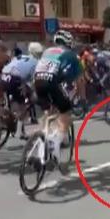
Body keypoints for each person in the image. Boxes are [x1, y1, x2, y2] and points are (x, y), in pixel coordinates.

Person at [33, 30, 82, 174]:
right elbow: (79, 80)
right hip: (52, 83)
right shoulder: (71, 55)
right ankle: (55, 145)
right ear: (69, 43)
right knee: (66, 113)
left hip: (38, 82)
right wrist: (81, 97)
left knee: (48, 114)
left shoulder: (47, 51)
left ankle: (40, 151)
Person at [0, 42, 43, 139]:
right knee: (26, 104)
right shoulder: (36, 63)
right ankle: (19, 131)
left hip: (3, 75)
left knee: (14, 101)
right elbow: (34, 82)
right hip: (15, 78)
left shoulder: (22, 56)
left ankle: (9, 114)